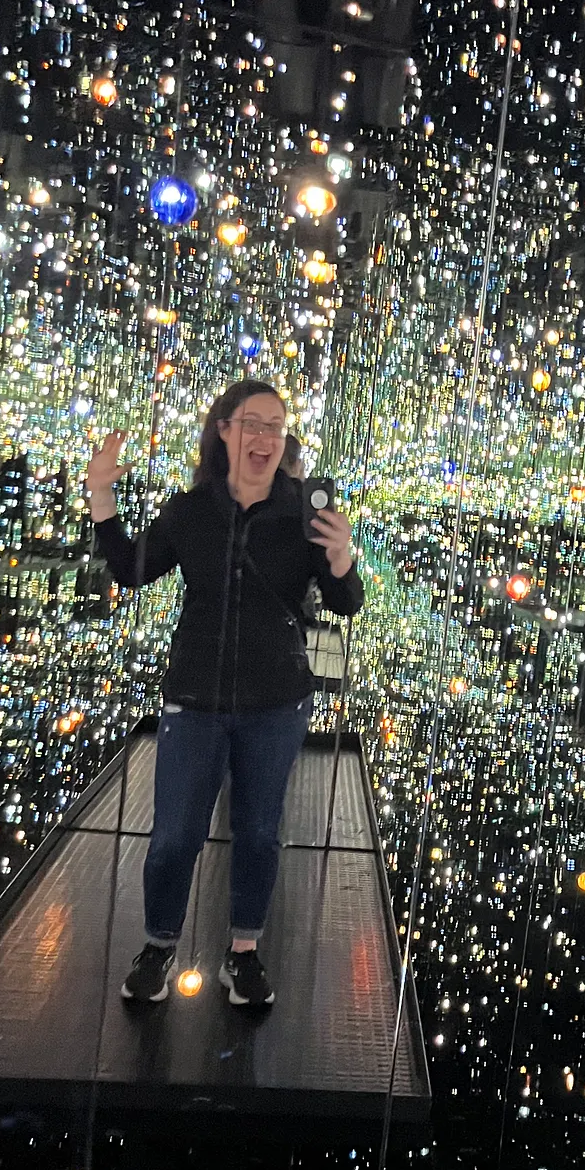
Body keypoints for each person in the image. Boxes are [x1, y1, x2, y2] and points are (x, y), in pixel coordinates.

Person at [87, 379, 364, 1008]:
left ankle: (243, 954)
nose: (266, 436)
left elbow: (345, 604)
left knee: (259, 833)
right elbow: (133, 571)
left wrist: (343, 561)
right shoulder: (191, 512)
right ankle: (159, 945)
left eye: (277, 425)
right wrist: (101, 492)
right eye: (252, 423)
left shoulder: (305, 515)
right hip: (194, 699)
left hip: (277, 703)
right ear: (223, 431)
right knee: (174, 837)